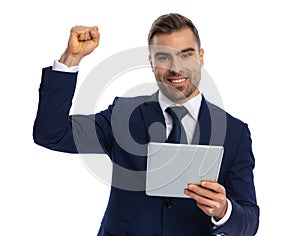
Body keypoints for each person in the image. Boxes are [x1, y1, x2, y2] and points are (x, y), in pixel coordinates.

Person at [33, 13, 259, 236]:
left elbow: (249, 222)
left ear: (201, 57)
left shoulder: (234, 132)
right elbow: (52, 133)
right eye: (163, 57)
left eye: (185, 55)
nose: (176, 68)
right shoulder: (124, 115)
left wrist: (223, 210)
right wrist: (70, 59)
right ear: (151, 62)